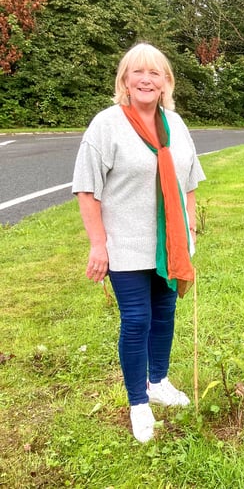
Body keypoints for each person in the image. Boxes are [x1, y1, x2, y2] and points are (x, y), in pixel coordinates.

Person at [72, 43, 206, 443]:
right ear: (125, 81)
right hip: (126, 246)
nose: (146, 79)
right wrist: (99, 245)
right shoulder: (107, 125)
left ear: (166, 82)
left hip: (170, 244)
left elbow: (189, 181)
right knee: (137, 320)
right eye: (137, 73)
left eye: (155, 73)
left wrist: (191, 229)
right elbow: (86, 190)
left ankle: (158, 381)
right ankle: (138, 402)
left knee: (165, 314)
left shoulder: (175, 125)